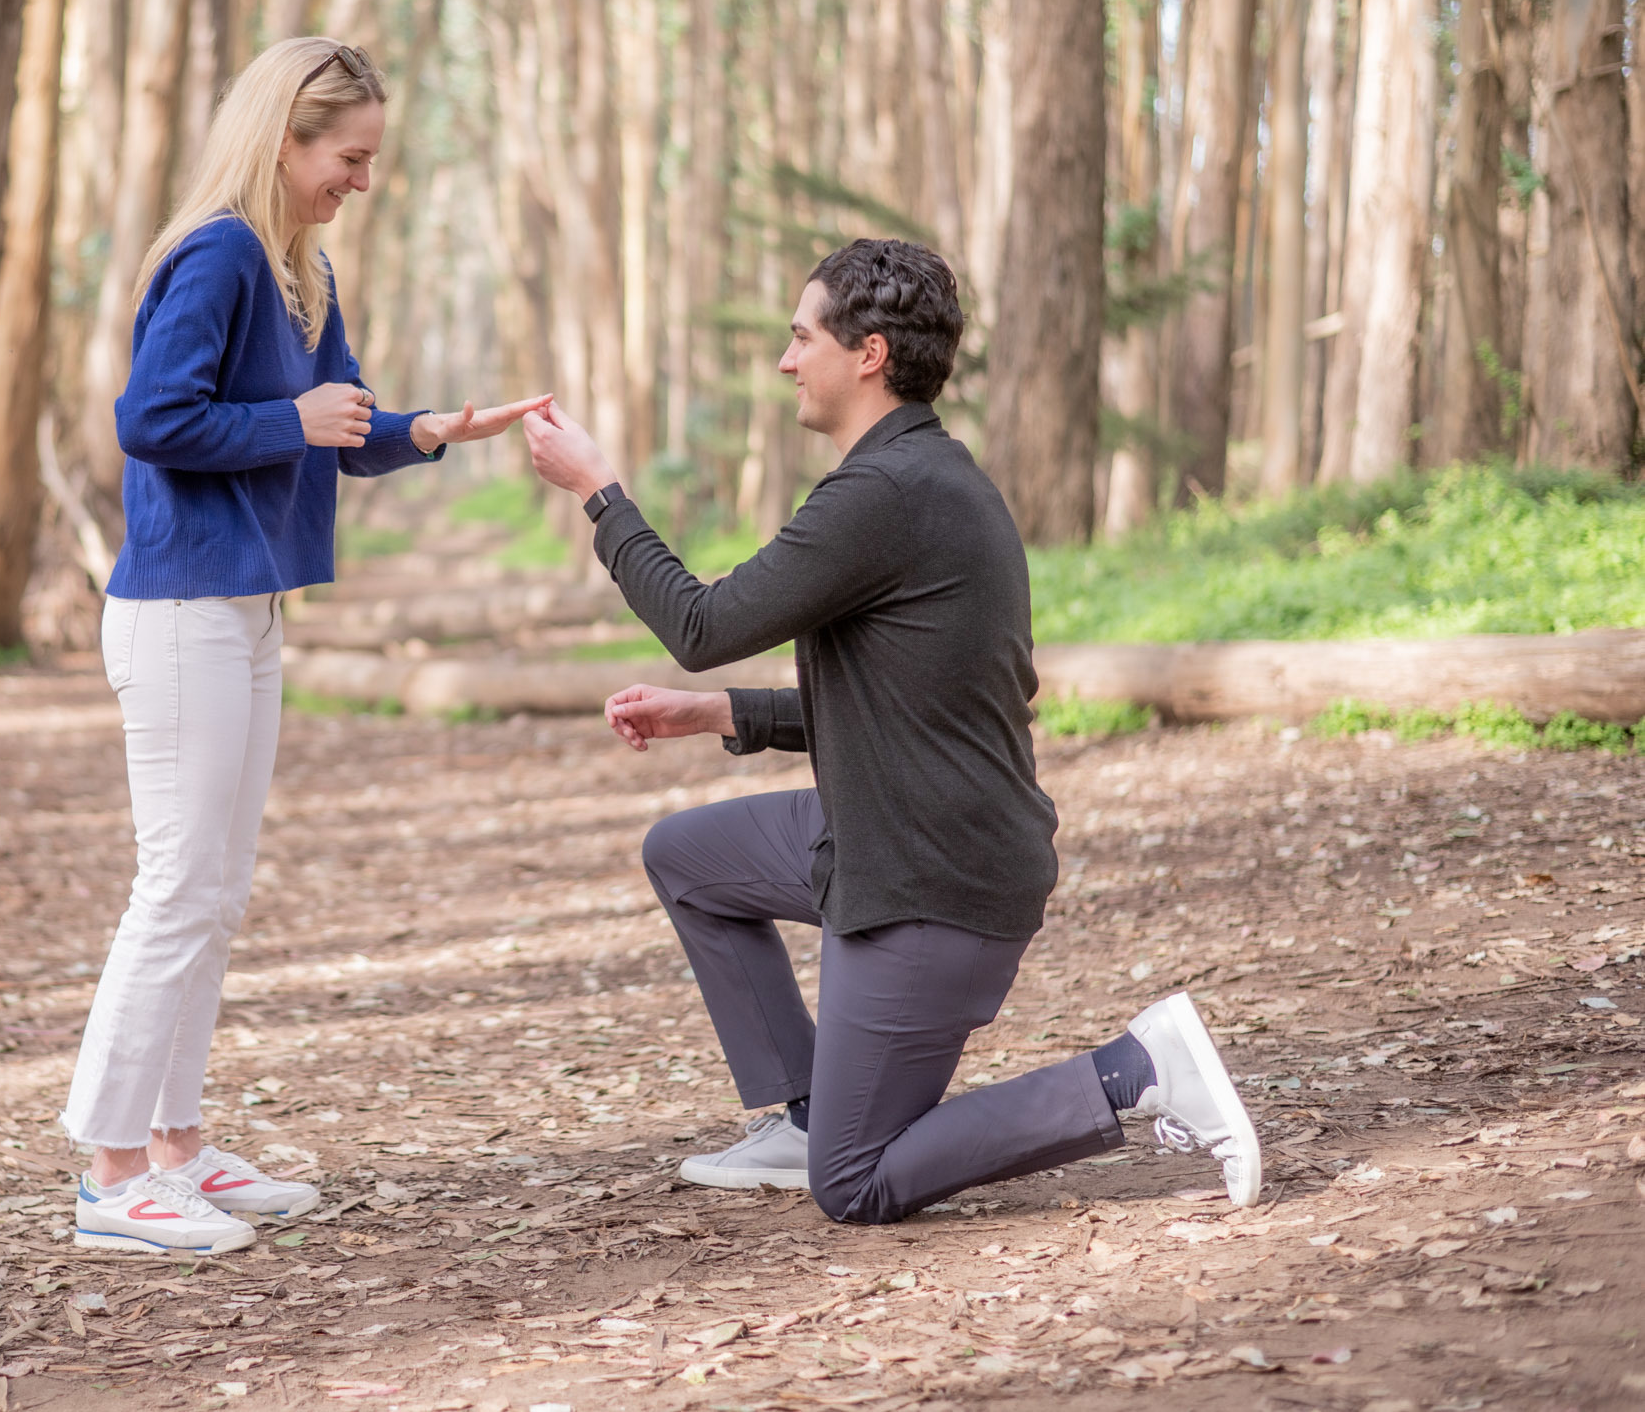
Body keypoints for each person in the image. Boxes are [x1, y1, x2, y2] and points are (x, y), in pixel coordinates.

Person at [520, 237, 1260, 1224]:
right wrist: (720, 715)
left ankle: (1132, 1073)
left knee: (857, 1181)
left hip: (931, 878)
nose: (786, 360)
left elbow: (699, 626)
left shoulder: (884, 496)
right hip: (889, 829)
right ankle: (808, 1109)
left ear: (867, 353)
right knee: (687, 855)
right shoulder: (918, 480)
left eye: (801, 337)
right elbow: (906, 703)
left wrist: (598, 493)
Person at [65, 38, 547, 1255]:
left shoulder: (301, 269)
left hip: (249, 609)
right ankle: (112, 1170)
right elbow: (151, 419)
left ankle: (177, 1147)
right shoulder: (220, 253)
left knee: (216, 894)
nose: (361, 179)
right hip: (179, 608)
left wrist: (427, 428)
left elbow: (337, 427)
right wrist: (289, 418)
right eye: (348, 156)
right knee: (175, 886)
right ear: (283, 137)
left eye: (370, 159)